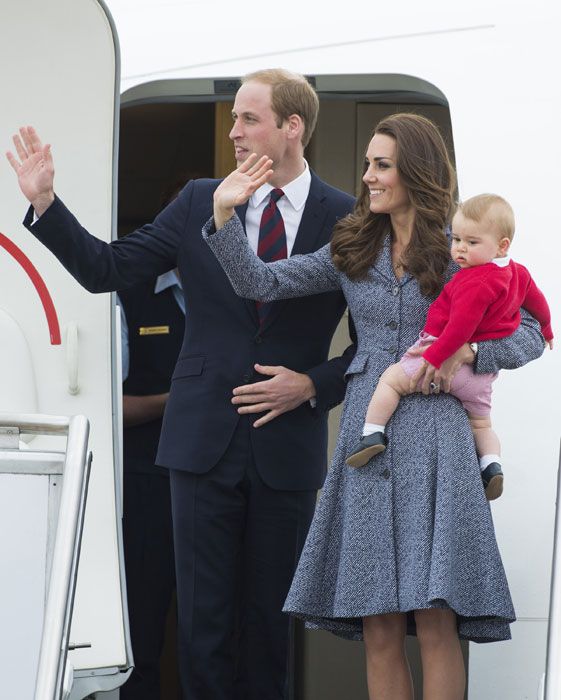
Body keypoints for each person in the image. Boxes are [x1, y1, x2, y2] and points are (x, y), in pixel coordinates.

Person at [6, 69, 356, 700]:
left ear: (292, 127)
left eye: (250, 119)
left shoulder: (347, 218)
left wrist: (311, 384)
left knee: (272, 630)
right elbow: (107, 268)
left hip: (287, 446)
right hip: (201, 444)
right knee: (202, 627)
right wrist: (46, 206)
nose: (236, 132)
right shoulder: (200, 198)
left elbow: (374, 342)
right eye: (234, 120)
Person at [202, 113, 546, 700]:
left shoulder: (461, 244)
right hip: (370, 441)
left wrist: (469, 353)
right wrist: (225, 215)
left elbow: (534, 332)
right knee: (379, 623)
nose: (367, 177)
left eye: (381, 165)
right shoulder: (351, 244)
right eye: (367, 164)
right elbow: (259, 282)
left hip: (440, 439)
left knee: (437, 620)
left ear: (415, 170)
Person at [345, 193, 553, 502]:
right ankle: (492, 465)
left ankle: (372, 432)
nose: (459, 249)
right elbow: (537, 302)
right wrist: (548, 330)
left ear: (502, 245)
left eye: (471, 242)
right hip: (481, 378)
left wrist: (435, 357)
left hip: (444, 358)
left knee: (391, 380)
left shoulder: (474, 281)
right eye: (456, 239)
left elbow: (459, 329)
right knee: (481, 423)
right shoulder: (517, 273)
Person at [118, 267, 184, 699]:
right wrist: (178, 398)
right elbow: (105, 404)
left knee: (227, 628)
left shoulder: (247, 289)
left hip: (229, 481)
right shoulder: (128, 294)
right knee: (140, 625)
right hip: (147, 481)